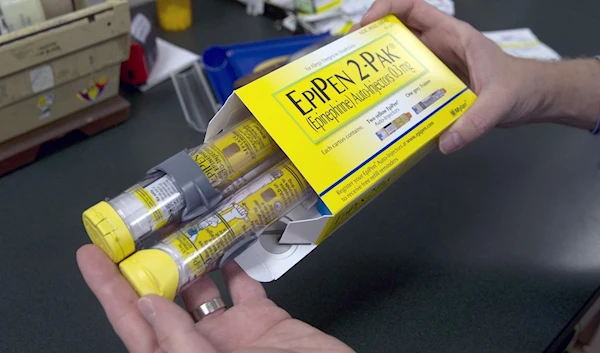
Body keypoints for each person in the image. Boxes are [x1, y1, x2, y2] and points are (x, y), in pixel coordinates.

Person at [77, 0, 600, 352]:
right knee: (227, 190)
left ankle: (148, 231)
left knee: (244, 208)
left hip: (274, 202)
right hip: (217, 206)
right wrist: (541, 83)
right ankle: (139, 221)